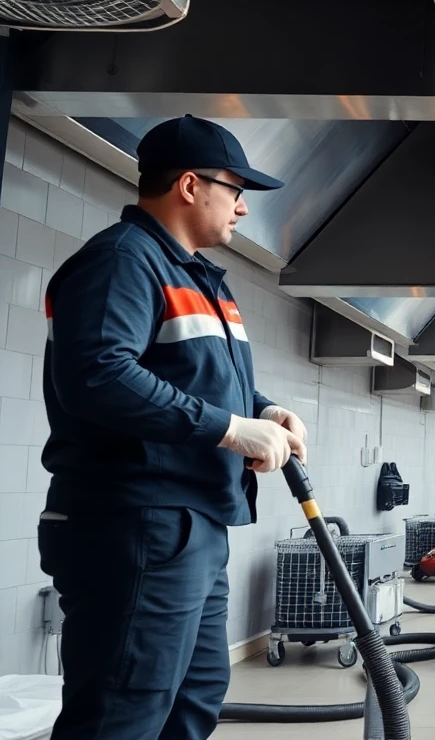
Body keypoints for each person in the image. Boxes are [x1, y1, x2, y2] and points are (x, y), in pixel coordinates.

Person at [37, 115, 308, 740]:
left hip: (190, 525)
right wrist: (229, 430)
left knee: (193, 701)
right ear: (190, 185)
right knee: (122, 714)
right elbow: (98, 375)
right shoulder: (121, 261)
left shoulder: (197, 278)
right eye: (235, 190)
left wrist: (262, 411)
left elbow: (199, 379)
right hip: (139, 522)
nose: (241, 210)